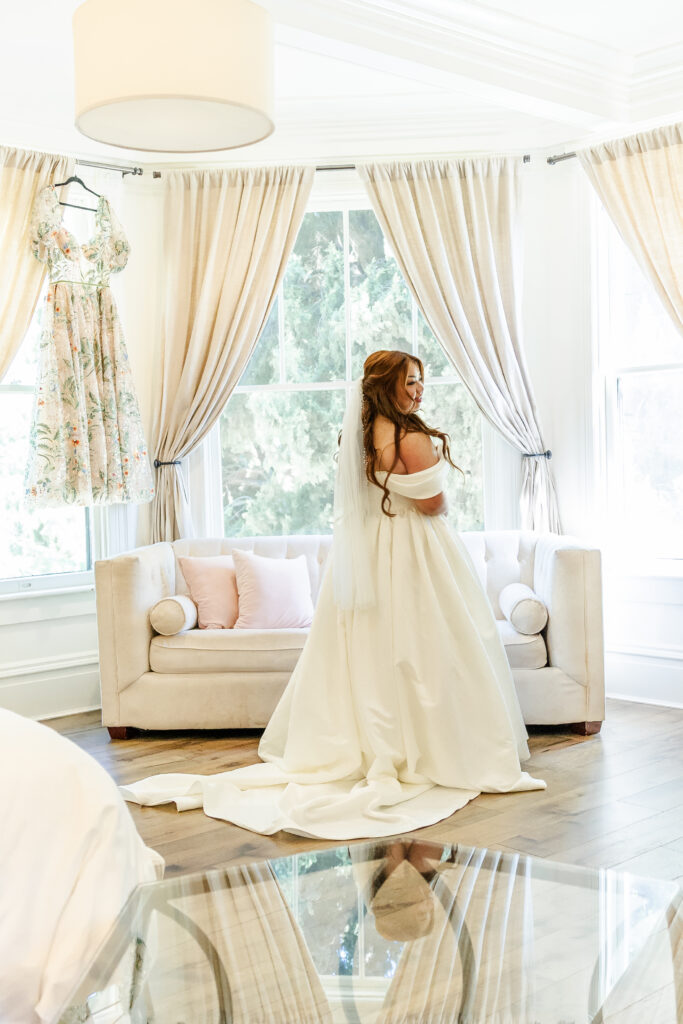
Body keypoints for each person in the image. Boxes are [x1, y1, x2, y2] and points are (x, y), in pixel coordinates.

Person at [123, 349, 544, 839]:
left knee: (375, 650)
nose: (418, 391)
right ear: (387, 385)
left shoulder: (359, 438)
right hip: (415, 553)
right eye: (410, 382)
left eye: (420, 382)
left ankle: (375, 744)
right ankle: (434, 746)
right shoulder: (410, 437)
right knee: (429, 645)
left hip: (370, 555)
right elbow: (433, 503)